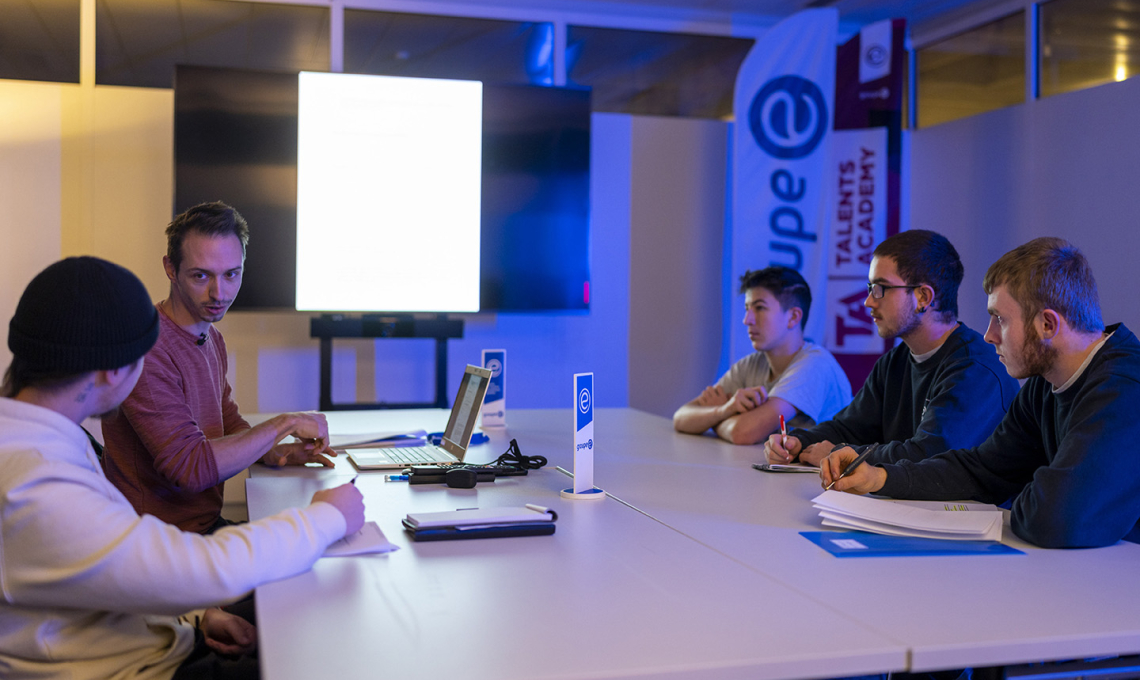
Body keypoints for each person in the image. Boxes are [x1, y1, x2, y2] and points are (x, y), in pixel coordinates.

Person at [0, 256, 365, 679]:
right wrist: (327, 516)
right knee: (328, 648)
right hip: (139, 669)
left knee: (303, 602)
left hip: (152, 634)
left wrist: (194, 617)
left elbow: (110, 571)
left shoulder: (41, 438)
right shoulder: (36, 482)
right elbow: (206, 569)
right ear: (114, 370)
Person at [822, 237, 1140, 549]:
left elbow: (1056, 519)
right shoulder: (1046, 383)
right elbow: (985, 470)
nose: (988, 336)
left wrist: (1031, 492)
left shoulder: (1124, 389)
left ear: (1047, 324)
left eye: (999, 319)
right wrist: (880, 478)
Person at [102, 202, 336, 533]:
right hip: (158, 543)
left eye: (231, 274)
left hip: (202, 528)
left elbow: (229, 425)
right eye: (201, 276)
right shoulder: (148, 349)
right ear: (170, 268)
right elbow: (189, 469)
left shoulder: (210, 337)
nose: (219, 293)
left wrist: (273, 452)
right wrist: (287, 423)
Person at [766, 230, 1019, 467]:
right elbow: (849, 427)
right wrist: (799, 441)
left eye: (880, 289)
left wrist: (839, 454)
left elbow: (928, 457)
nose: (868, 301)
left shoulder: (975, 368)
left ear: (923, 297)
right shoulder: (894, 361)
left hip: (968, 513)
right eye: (870, 289)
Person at [673, 266, 852, 445]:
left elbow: (742, 433)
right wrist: (724, 411)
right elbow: (681, 418)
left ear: (793, 317)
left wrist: (714, 420)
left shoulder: (815, 364)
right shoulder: (752, 364)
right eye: (747, 308)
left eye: (759, 308)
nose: (747, 320)